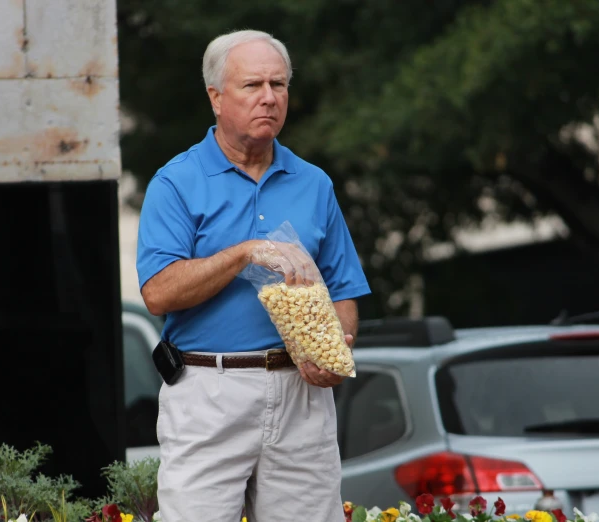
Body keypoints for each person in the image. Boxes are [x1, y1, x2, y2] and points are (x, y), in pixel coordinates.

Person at [136, 29, 371, 522]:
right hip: (208, 387)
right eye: (253, 85)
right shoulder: (176, 182)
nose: (269, 97)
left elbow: (344, 288)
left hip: (301, 390)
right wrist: (244, 253)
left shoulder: (314, 182)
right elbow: (158, 293)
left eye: (279, 84)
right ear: (216, 97)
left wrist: (339, 345)